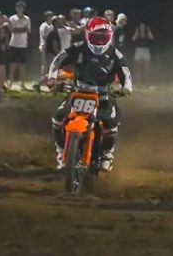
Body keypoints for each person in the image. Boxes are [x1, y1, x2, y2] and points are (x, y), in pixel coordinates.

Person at [47, 17, 133, 171]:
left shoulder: (114, 54)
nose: (99, 41)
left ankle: (107, 154)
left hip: (103, 95)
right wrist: (52, 78)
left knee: (111, 122)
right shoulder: (79, 48)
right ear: (87, 35)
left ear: (109, 37)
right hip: (77, 92)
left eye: (102, 37)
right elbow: (58, 59)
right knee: (58, 118)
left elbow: (125, 72)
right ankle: (61, 153)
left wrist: (126, 87)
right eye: (96, 37)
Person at [6, 0, 31, 90]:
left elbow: (28, 30)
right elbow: (11, 30)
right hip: (13, 43)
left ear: (24, 9)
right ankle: (10, 82)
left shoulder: (27, 18)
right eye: (19, 7)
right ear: (16, 8)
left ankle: (22, 83)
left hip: (23, 44)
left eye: (22, 7)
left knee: (22, 65)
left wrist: (17, 29)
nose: (20, 9)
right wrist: (22, 29)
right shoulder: (12, 18)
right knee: (12, 64)